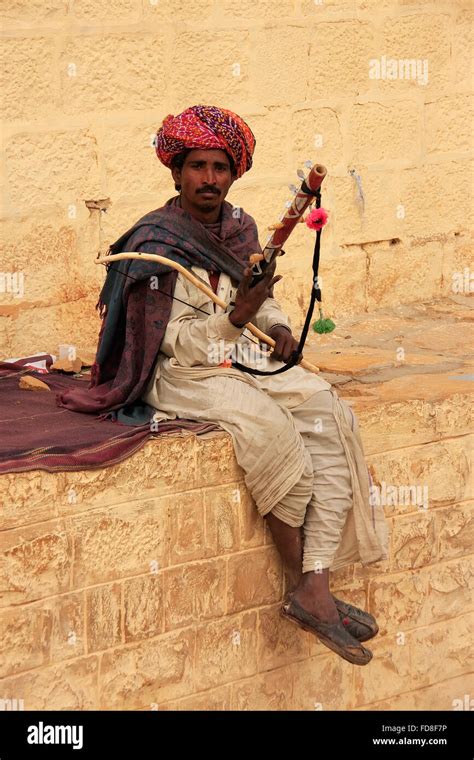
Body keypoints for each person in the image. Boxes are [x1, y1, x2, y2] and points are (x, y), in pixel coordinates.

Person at [58, 105, 388, 666]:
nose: (209, 178)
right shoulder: (155, 243)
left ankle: (315, 586)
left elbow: (262, 295)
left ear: (233, 174)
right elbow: (176, 342)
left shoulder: (241, 229)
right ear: (176, 172)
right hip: (183, 373)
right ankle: (312, 591)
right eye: (197, 167)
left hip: (244, 354)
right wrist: (236, 319)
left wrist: (276, 324)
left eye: (220, 168)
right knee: (272, 433)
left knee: (327, 413)